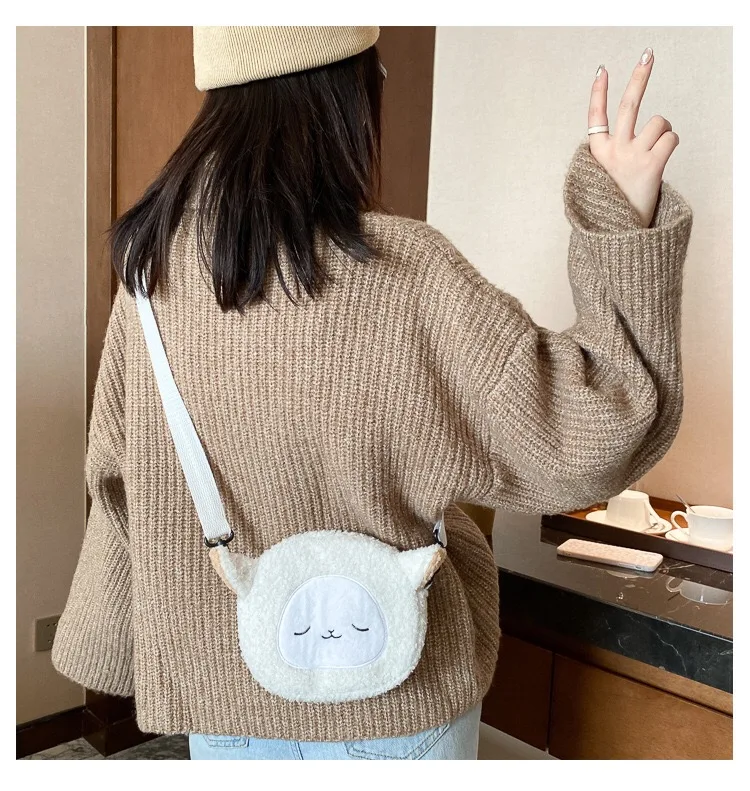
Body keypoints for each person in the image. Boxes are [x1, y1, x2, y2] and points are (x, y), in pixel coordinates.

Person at [52, 27, 692, 760]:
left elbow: (117, 481)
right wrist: (618, 216)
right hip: (401, 708)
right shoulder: (412, 275)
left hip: (226, 711)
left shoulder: (149, 281)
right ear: (346, 98)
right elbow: (597, 429)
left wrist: (111, 643)